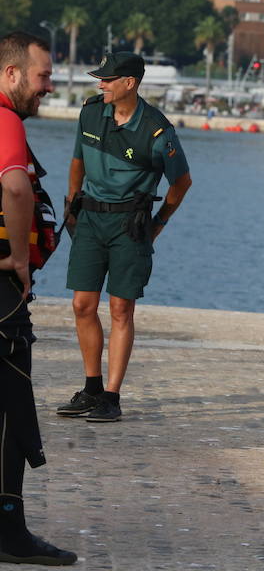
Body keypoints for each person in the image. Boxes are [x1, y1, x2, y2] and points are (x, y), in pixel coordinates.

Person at [55, 52, 192, 422]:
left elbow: (182, 182)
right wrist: (72, 205)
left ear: (129, 83)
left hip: (129, 226)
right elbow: (77, 161)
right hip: (89, 220)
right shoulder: (90, 113)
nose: (101, 84)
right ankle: (91, 388)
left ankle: (111, 398)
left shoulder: (157, 130)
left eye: (108, 79)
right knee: (82, 305)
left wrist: (159, 223)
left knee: (120, 310)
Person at [0, 30, 77, 566]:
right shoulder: (4, 120)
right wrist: (19, 261)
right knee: (10, 411)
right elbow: (16, 187)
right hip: (1, 293)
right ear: (11, 75)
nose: (48, 86)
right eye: (43, 75)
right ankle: (8, 530)